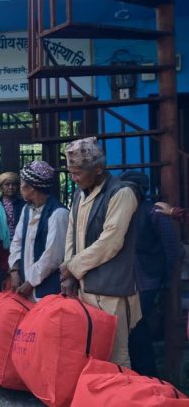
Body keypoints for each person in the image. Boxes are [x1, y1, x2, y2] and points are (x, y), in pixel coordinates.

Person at [60, 137, 141, 367]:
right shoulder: (79, 193)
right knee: (91, 352)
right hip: (84, 286)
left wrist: (73, 267)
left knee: (116, 356)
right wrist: (68, 269)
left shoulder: (121, 193)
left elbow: (110, 242)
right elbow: (71, 234)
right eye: (72, 173)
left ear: (98, 169)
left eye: (78, 174)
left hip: (111, 290)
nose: (74, 179)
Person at [120, 171, 182, 377]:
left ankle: (147, 375)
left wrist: (163, 278)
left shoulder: (154, 213)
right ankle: (141, 375)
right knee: (132, 329)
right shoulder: (120, 213)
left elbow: (172, 248)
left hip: (147, 280)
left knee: (136, 328)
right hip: (125, 281)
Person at [7, 161, 68, 301]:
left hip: (47, 290)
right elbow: (16, 242)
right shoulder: (27, 210)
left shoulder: (59, 214)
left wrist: (30, 282)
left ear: (32, 188)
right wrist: (15, 271)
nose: (19, 188)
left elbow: (53, 257)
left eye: (22, 184)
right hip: (25, 287)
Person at [0, 172, 26, 241]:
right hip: (1, 241)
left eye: (14, 184)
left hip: (19, 240)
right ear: (1, 187)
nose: (11, 187)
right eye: (7, 184)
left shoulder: (23, 203)